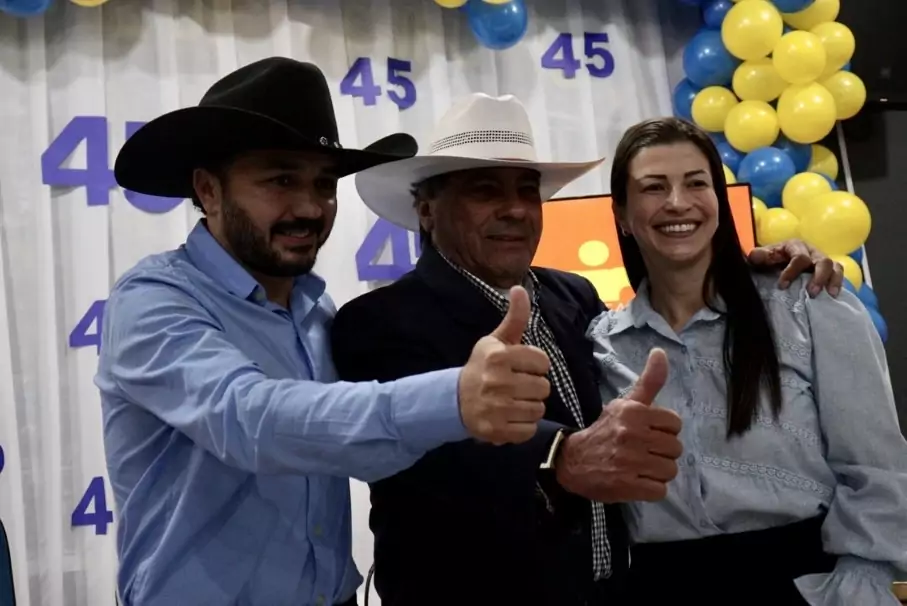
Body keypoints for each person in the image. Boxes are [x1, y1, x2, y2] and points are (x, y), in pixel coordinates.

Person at [329, 93, 844, 606]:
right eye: (485, 190)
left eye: (527, 191)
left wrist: (752, 266)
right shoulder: (377, 322)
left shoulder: (572, 295)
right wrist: (560, 455)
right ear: (426, 210)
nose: (515, 209)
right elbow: (428, 449)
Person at [96, 59, 554, 606]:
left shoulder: (316, 311)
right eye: (281, 180)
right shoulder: (153, 299)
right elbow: (251, 419)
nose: (310, 207)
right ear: (208, 190)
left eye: (324, 183)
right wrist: (453, 398)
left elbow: (356, 449)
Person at [588, 117, 907, 605]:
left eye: (697, 183)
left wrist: (857, 590)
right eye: (654, 187)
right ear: (623, 215)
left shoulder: (808, 306)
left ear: (719, 201)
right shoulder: (602, 345)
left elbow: (877, 471)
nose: (678, 202)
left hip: (804, 585)